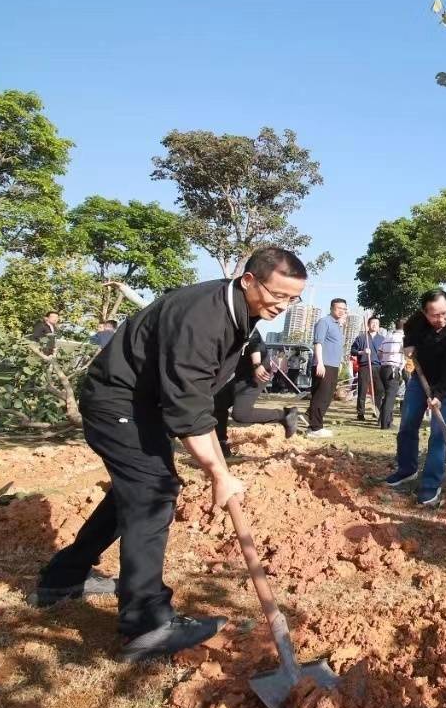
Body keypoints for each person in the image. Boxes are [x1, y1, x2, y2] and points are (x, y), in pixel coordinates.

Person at [30, 248, 308, 660]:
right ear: (249, 280)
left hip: (144, 405)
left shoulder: (241, 312)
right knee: (153, 494)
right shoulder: (202, 317)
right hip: (118, 403)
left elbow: (196, 402)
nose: (283, 307)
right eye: (278, 296)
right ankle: (148, 624)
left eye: (293, 300)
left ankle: (63, 577)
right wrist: (218, 472)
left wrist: (220, 466)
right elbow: (187, 410)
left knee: (139, 490)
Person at [383, 290, 446, 506]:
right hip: (419, 380)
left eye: (445, 314)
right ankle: (406, 469)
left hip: (445, 385)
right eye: (435, 315)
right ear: (425, 312)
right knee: (407, 424)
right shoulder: (417, 320)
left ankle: (431, 485)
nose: (440, 319)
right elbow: (409, 330)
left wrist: (439, 395)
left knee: (438, 433)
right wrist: (409, 344)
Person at [212, 332, 300, 457]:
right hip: (241, 373)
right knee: (218, 403)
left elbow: (254, 339)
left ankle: (285, 415)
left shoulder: (236, 318)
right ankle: (221, 444)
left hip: (258, 371)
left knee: (241, 414)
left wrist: (257, 364)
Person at [307, 299, 348, 438]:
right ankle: (315, 428)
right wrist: (319, 362)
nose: (342, 311)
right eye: (339, 308)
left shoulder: (338, 325)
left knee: (328, 396)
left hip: (334, 365)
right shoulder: (324, 322)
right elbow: (318, 343)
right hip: (324, 365)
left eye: (344, 308)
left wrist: (340, 362)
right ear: (331, 308)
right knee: (321, 395)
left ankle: (314, 423)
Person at [350, 314, 385, 423]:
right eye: (372, 323)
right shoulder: (361, 338)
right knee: (362, 390)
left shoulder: (382, 339)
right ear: (368, 325)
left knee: (379, 390)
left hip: (378, 367)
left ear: (379, 326)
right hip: (365, 366)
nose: (374, 325)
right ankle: (360, 413)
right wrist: (362, 351)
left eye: (377, 324)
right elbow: (353, 351)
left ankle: (377, 411)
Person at [377, 319, 406, 430]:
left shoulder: (387, 338)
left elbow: (379, 354)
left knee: (387, 396)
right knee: (390, 397)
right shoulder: (403, 339)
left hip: (383, 368)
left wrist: (387, 358)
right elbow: (408, 353)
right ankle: (385, 424)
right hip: (393, 369)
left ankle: (384, 420)